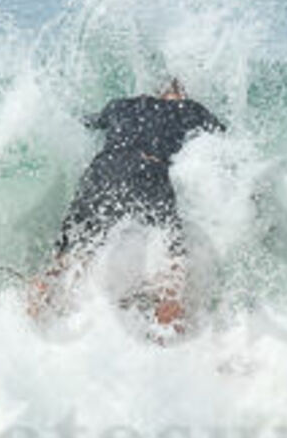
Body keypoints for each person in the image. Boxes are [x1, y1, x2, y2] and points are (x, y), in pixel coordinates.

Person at [28, 78, 225, 333]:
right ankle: (168, 332)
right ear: (180, 96)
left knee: (66, 256)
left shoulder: (119, 105)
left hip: (101, 170)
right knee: (174, 258)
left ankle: (33, 315)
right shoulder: (188, 109)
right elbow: (222, 136)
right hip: (148, 170)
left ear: (158, 92)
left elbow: (87, 122)